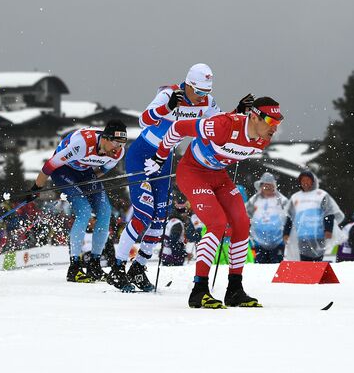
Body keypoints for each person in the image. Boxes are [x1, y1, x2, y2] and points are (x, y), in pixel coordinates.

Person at [107, 63, 254, 292]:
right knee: (144, 214)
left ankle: (138, 268)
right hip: (142, 155)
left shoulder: (206, 101)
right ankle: (117, 268)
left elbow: (220, 123)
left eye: (206, 92)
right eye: (198, 92)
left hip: (164, 160)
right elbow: (144, 121)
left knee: (160, 217)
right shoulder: (169, 94)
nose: (201, 98)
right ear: (188, 84)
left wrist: (238, 112)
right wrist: (167, 107)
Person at [144, 97, 283, 308]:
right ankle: (199, 290)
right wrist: (160, 158)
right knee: (217, 223)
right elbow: (179, 127)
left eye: (278, 122)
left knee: (241, 223)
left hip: (218, 176)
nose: (275, 127)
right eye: (271, 121)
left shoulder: (264, 139)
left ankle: (235, 290)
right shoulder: (223, 126)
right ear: (254, 117)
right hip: (192, 173)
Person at [26, 120, 127, 283]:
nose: (118, 148)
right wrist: (36, 188)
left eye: (122, 143)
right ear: (105, 138)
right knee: (85, 211)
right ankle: (74, 268)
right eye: (116, 143)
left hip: (85, 172)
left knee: (105, 212)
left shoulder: (117, 153)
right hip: (63, 171)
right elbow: (50, 165)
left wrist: (88, 186)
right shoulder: (81, 144)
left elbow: (100, 171)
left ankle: (95, 265)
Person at [282, 170, 344, 262]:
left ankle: (316, 276)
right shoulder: (295, 197)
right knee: (304, 262)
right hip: (302, 236)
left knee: (317, 262)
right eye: (302, 180)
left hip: (318, 235)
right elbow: (290, 217)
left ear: (313, 181)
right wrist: (286, 233)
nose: (305, 182)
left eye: (307, 180)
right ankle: (308, 276)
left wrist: (328, 230)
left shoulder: (321, 195)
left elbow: (328, 213)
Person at [246, 172, 288, 263]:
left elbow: (290, 217)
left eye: (270, 185)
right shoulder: (254, 200)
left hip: (278, 242)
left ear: (274, 186)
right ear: (261, 186)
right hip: (258, 242)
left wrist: (287, 233)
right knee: (260, 267)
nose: (268, 188)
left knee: (276, 267)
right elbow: (246, 215)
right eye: (265, 185)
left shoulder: (282, 200)